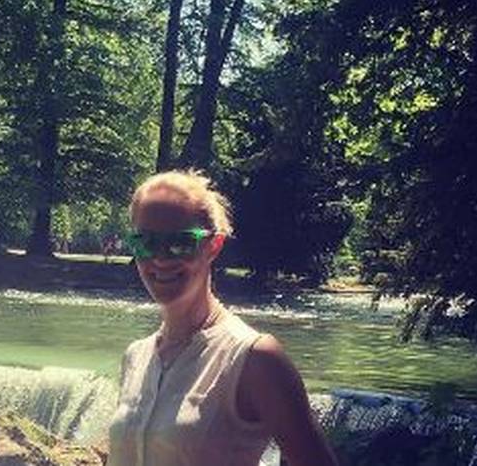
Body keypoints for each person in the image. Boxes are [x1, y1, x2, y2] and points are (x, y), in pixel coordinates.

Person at [107, 170, 337, 466]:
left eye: (180, 243)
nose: (161, 258)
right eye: (146, 243)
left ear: (213, 246)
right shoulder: (135, 357)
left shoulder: (254, 358)